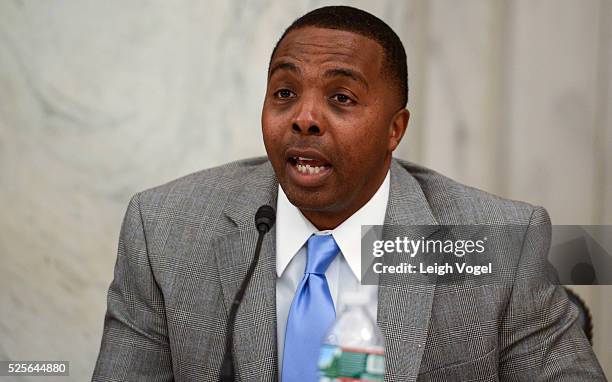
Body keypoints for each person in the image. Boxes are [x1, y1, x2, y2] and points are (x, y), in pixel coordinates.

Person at [92, 6, 606, 382]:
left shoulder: (500, 245)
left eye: (341, 98)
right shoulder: (163, 229)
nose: (304, 118)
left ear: (394, 130)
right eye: (285, 93)